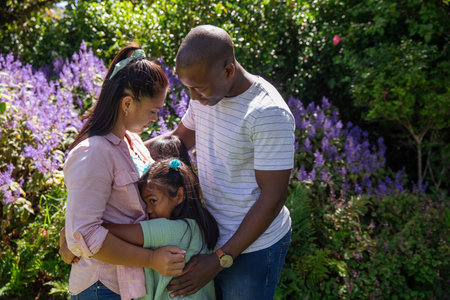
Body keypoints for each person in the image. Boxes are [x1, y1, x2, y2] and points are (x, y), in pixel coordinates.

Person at [156, 25, 296, 299]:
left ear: (228, 70)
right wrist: (116, 149)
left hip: (254, 248)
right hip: (212, 236)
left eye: (199, 89)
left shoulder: (267, 113)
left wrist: (220, 259)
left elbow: (273, 197)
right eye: (189, 89)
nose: (193, 98)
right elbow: (178, 143)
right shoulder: (207, 95)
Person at [63, 43, 186, 300]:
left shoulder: (133, 143)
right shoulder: (94, 152)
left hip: (128, 285)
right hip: (101, 286)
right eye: (153, 110)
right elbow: (85, 235)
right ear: (127, 103)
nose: (155, 118)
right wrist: (151, 258)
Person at [103, 157, 219, 300]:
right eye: (145, 204)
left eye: (153, 201)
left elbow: (109, 231)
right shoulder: (195, 227)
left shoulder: (176, 230)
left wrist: (82, 229)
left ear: (179, 195)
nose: (148, 210)